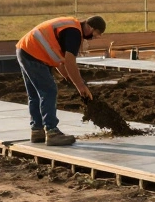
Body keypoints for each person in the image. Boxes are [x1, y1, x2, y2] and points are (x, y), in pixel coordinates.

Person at [16, 15, 106, 146]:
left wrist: (70, 78)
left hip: (25, 50)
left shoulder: (70, 27)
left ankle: (37, 130)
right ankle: (52, 132)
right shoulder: (74, 33)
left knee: (35, 94)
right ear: (91, 28)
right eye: (97, 34)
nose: (95, 37)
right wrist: (80, 85)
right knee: (49, 91)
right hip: (34, 54)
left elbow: (60, 61)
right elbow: (70, 62)